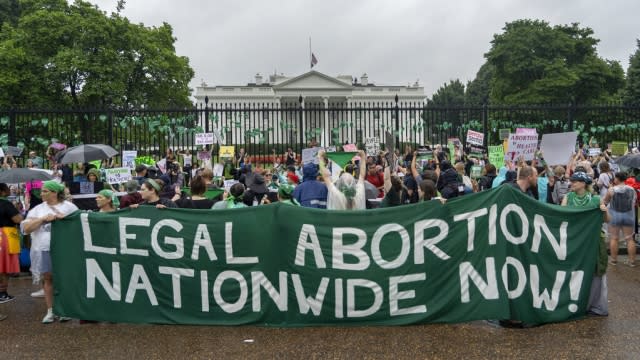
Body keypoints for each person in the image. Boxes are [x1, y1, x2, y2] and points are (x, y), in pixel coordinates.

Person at [21, 180, 78, 323]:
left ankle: (64, 309)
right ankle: (50, 310)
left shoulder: (69, 207)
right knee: (48, 278)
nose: (41, 194)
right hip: (44, 248)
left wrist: (63, 218)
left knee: (64, 279)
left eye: (45, 191)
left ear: (54, 192)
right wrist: (42, 219)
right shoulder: (38, 209)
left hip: (65, 248)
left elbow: (80, 224)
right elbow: (26, 229)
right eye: (42, 191)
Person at [561, 171, 610, 316]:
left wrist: (605, 211)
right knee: (575, 272)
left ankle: (596, 305)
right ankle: (574, 303)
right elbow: (561, 215)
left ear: (583, 183)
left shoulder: (595, 199)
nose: (571, 183)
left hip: (593, 242)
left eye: (574, 181)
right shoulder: (568, 197)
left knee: (595, 273)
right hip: (574, 241)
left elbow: (608, 220)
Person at [602, 172, 637, 266]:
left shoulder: (611, 189)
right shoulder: (632, 189)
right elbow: (633, 201)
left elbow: (605, 201)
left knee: (614, 238)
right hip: (629, 216)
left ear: (617, 179)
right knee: (629, 239)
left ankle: (613, 260)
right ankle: (632, 261)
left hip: (615, 215)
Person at [0, 183, 23, 304]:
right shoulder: (6, 204)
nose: (9, 191)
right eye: (7, 189)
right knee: (4, 265)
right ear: (2, 192)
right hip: (5, 236)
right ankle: (2, 293)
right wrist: (17, 210)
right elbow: (18, 219)